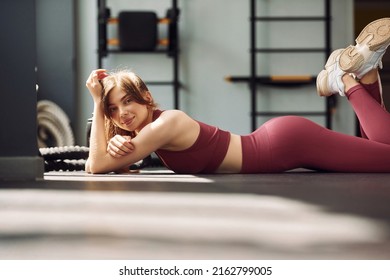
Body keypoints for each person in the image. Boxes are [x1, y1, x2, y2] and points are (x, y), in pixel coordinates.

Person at [86, 17, 390, 174]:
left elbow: (97, 165)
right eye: (113, 109)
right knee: (376, 151)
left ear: (146, 97)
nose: (121, 113)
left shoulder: (164, 125)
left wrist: (98, 103)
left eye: (127, 101)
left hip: (289, 143)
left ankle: (344, 79)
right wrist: (112, 136)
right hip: (282, 143)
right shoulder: (146, 133)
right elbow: (94, 165)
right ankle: (367, 77)